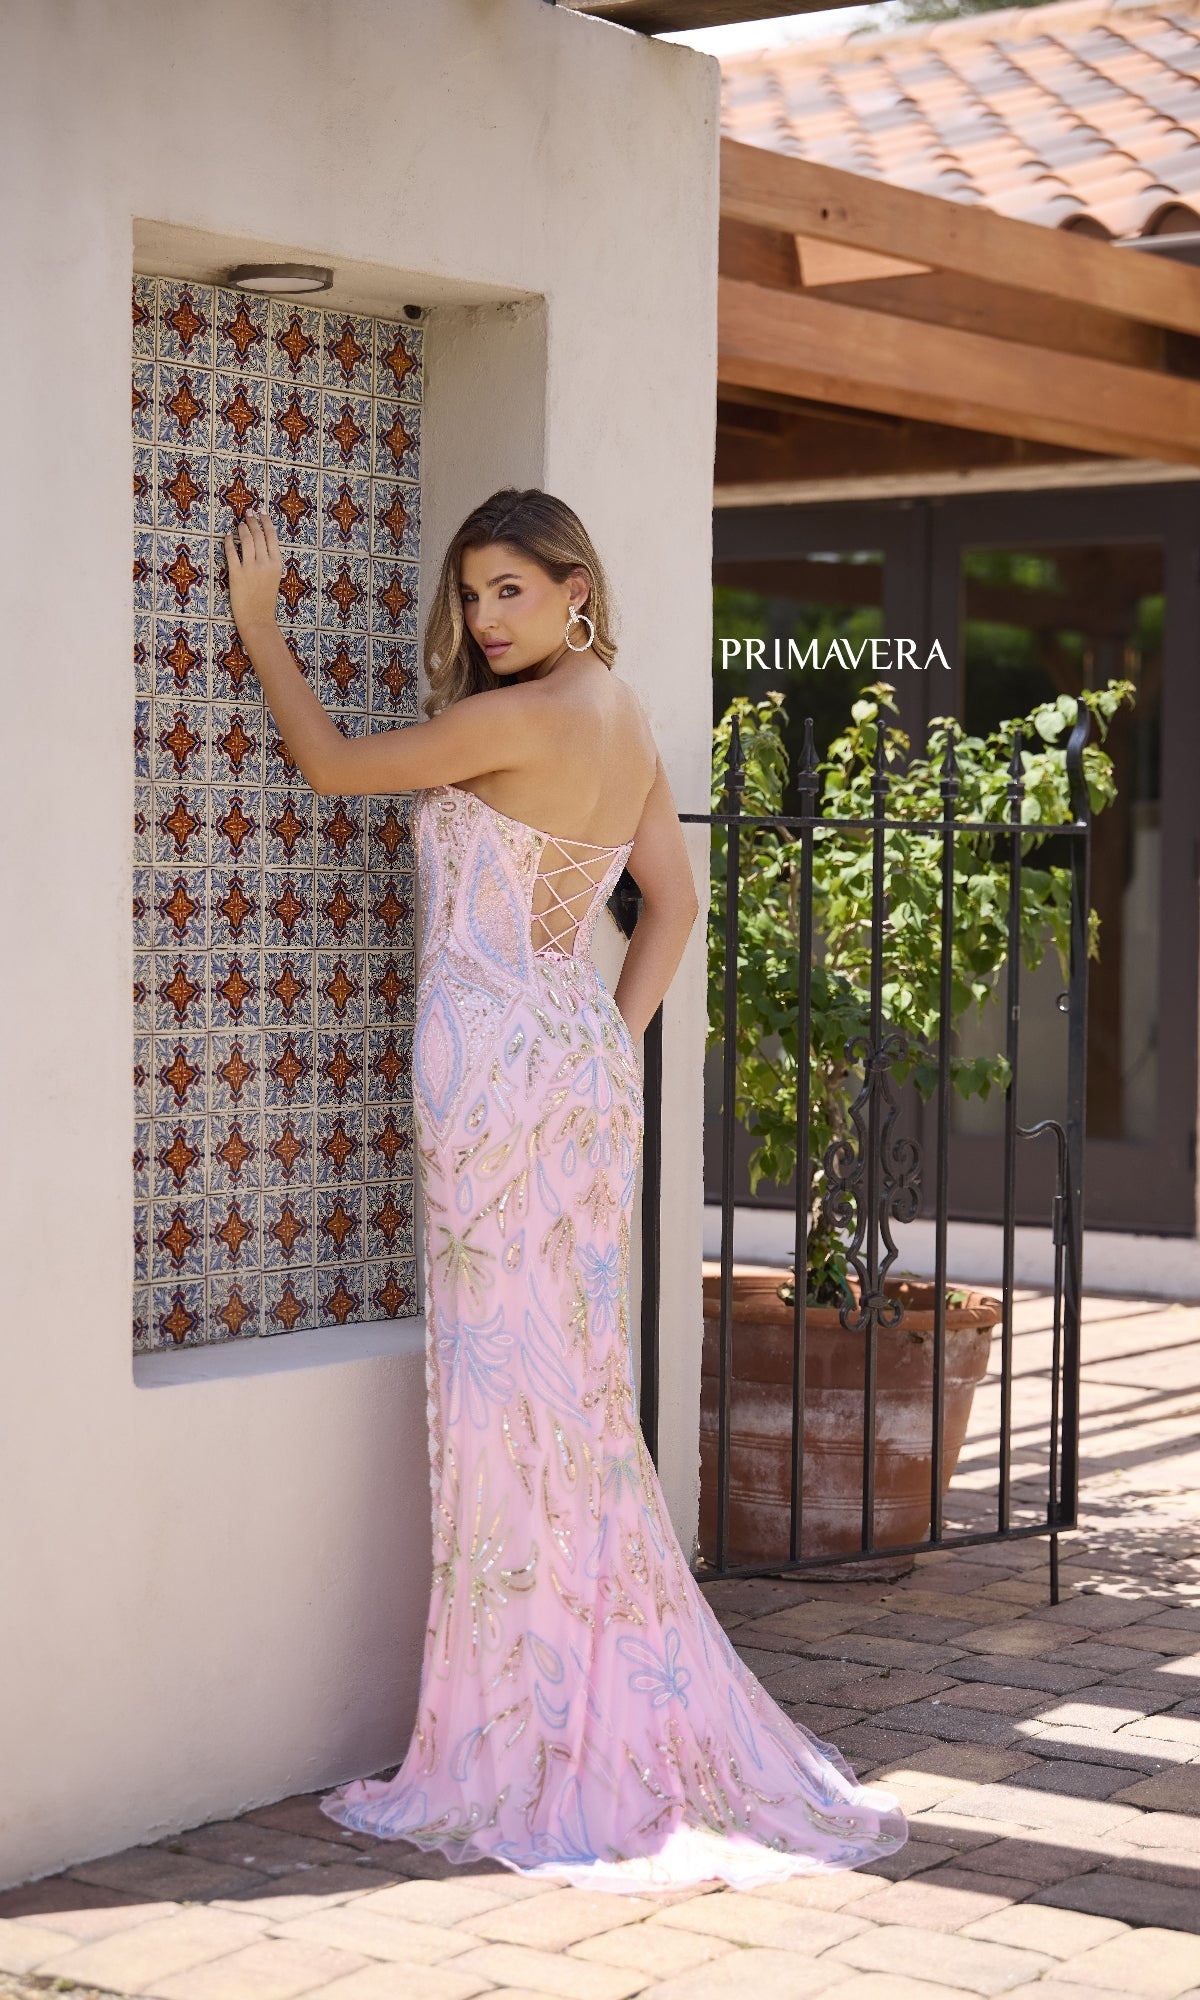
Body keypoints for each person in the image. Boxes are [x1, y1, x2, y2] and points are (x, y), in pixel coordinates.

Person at [225, 486, 907, 1894]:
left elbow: (335, 765)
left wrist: (259, 628)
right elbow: (676, 901)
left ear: (576, 591)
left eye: (509, 593)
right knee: (571, 1399)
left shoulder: (523, 718)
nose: (483, 619)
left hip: (494, 1074)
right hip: (576, 1066)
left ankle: (524, 1732)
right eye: (471, 594)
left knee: (507, 1390)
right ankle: (569, 1690)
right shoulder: (626, 713)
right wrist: (609, 1033)